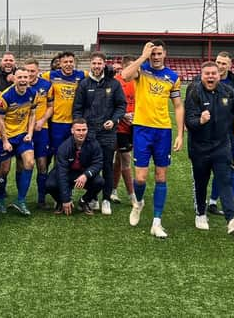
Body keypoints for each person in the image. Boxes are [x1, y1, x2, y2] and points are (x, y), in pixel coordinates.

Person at [121, 40, 184, 238]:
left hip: (163, 131)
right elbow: (125, 75)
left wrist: (180, 134)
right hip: (141, 129)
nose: (156, 57)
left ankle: (157, 222)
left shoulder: (173, 77)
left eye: (159, 53)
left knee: (161, 177)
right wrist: (142, 56)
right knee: (140, 178)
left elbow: (178, 106)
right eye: (153, 53)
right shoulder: (142, 71)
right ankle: (138, 204)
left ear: (165, 54)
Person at [185, 61, 234, 235]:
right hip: (199, 147)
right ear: (201, 75)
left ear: (219, 75)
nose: (210, 76)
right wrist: (199, 120)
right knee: (201, 183)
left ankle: (231, 219)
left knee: (225, 180)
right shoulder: (193, 91)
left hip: (222, 146)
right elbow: (189, 121)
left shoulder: (228, 92)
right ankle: (200, 213)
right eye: (207, 74)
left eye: (213, 73)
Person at [73, 52, 125, 215]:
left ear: (104, 65)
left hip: (107, 133)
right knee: (90, 166)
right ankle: (93, 198)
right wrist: (80, 127)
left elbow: (121, 106)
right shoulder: (83, 84)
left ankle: (106, 200)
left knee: (107, 166)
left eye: (99, 63)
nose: (96, 66)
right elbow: (77, 109)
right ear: (90, 64)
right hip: (89, 133)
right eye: (94, 63)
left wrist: (114, 120)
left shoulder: (114, 84)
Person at [208, 51, 234, 215]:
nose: (220, 65)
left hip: (227, 133)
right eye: (218, 62)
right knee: (202, 169)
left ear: (230, 66)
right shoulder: (206, 77)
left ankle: (215, 201)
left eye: (224, 63)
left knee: (224, 167)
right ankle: (203, 204)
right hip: (205, 132)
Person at [0, 66, 37, 215]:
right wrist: (5, 141)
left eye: (26, 77)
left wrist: (30, 133)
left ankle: (21, 200)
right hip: (5, 136)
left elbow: (32, 114)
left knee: (29, 163)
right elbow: (0, 120)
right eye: (20, 77)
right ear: (14, 78)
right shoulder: (5, 97)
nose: (23, 80)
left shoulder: (33, 93)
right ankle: (0, 200)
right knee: (4, 170)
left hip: (22, 136)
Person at [46, 118, 104, 216]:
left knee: (99, 182)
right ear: (72, 131)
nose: (81, 133)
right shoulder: (64, 147)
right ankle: (60, 202)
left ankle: (84, 201)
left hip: (83, 173)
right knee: (49, 184)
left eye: (84, 130)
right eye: (78, 130)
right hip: (67, 173)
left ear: (87, 130)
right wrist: (65, 199)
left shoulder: (94, 143)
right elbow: (62, 173)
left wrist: (86, 175)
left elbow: (98, 163)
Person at [41, 51, 87, 154]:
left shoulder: (82, 75)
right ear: (60, 64)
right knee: (57, 152)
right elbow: (33, 77)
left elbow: (98, 75)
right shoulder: (50, 75)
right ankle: (58, 170)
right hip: (57, 122)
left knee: (73, 153)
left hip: (74, 122)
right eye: (65, 62)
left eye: (71, 61)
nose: (68, 64)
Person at [25, 58, 54, 208]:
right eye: (27, 71)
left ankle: (41, 199)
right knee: (24, 164)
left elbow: (50, 107)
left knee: (42, 164)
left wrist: (42, 120)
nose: (29, 74)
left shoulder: (46, 85)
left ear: (38, 71)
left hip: (42, 130)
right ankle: (21, 198)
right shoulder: (19, 85)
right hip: (24, 131)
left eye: (32, 71)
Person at [111, 55, 137, 205]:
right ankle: (132, 196)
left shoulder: (138, 81)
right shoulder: (116, 82)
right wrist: (123, 115)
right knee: (125, 158)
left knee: (120, 160)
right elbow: (110, 104)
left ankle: (113, 191)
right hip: (119, 126)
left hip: (134, 126)